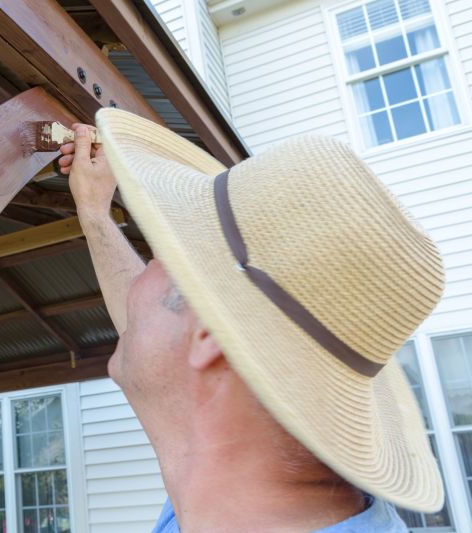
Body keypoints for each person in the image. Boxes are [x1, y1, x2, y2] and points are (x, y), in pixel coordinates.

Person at [57, 109, 445, 532]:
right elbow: (157, 336)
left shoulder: (217, 493)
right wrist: (94, 214)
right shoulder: (226, 485)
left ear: (209, 335)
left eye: (169, 254)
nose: (147, 268)